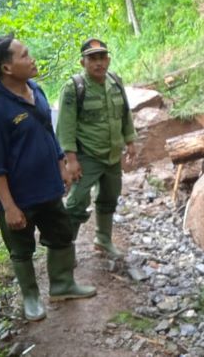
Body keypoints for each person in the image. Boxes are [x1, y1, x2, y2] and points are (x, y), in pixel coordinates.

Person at [0, 34, 96, 322]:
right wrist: (9, 206)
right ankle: (31, 298)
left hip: (48, 189)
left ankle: (62, 284)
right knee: (21, 249)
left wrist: (62, 165)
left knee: (61, 234)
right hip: (18, 198)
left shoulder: (35, 89)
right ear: (6, 68)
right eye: (24, 55)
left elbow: (48, 133)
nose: (31, 59)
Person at [56, 38, 136, 259]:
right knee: (75, 202)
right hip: (86, 156)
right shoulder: (74, 87)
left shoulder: (115, 82)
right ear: (83, 62)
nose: (98, 63)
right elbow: (66, 125)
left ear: (108, 60)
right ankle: (65, 251)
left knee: (110, 196)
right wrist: (70, 160)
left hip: (112, 155)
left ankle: (103, 239)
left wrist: (130, 142)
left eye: (102, 58)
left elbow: (125, 114)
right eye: (92, 59)